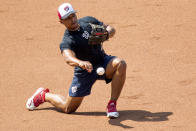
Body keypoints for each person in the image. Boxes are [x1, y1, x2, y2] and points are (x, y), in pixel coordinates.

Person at [26, 3, 126, 119]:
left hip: (102, 61)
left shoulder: (88, 21)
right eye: (67, 18)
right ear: (61, 22)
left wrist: (107, 33)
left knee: (120, 64)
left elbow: (110, 28)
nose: (72, 20)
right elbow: (68, 57)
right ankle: (44, 95)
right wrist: (80, 63)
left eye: (73, 15)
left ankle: (112, 104)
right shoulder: (68, 40)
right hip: (84, 72)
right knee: (68, 108)